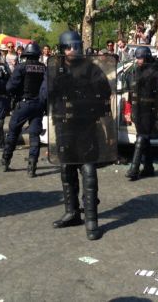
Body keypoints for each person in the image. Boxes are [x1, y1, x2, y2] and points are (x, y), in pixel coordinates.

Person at [49, 31, 113, 240]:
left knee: (88, 168)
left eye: (76, 46)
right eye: (69, 47)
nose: (73, 50)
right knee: (67, 167)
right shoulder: (56, 70)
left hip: (86, 125)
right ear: (62, 49)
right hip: (64, 125)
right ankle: (72, 212)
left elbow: (105, 95)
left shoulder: (91, 69)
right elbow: (47, 95)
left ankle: (92, 217)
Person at [0, 42, 46, 177]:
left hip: (23, 104)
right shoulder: (44, 68)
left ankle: (5, 160)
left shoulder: (21, 67)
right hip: (38, 105)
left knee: (13, 132)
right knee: (34, 135)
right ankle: (32, 166)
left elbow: (10, 87)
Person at [124, 46, 158, 181]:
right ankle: (149, 168)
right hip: (137, 108)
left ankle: (134, 169)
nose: (138, 61)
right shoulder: (135, 71)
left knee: (141, 137)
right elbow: (131, 92)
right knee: (144, 138)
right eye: (137, 58)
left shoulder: (155, 72)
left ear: (146, 57)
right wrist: (128, 110)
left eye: (141, 58)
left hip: (149, 109)